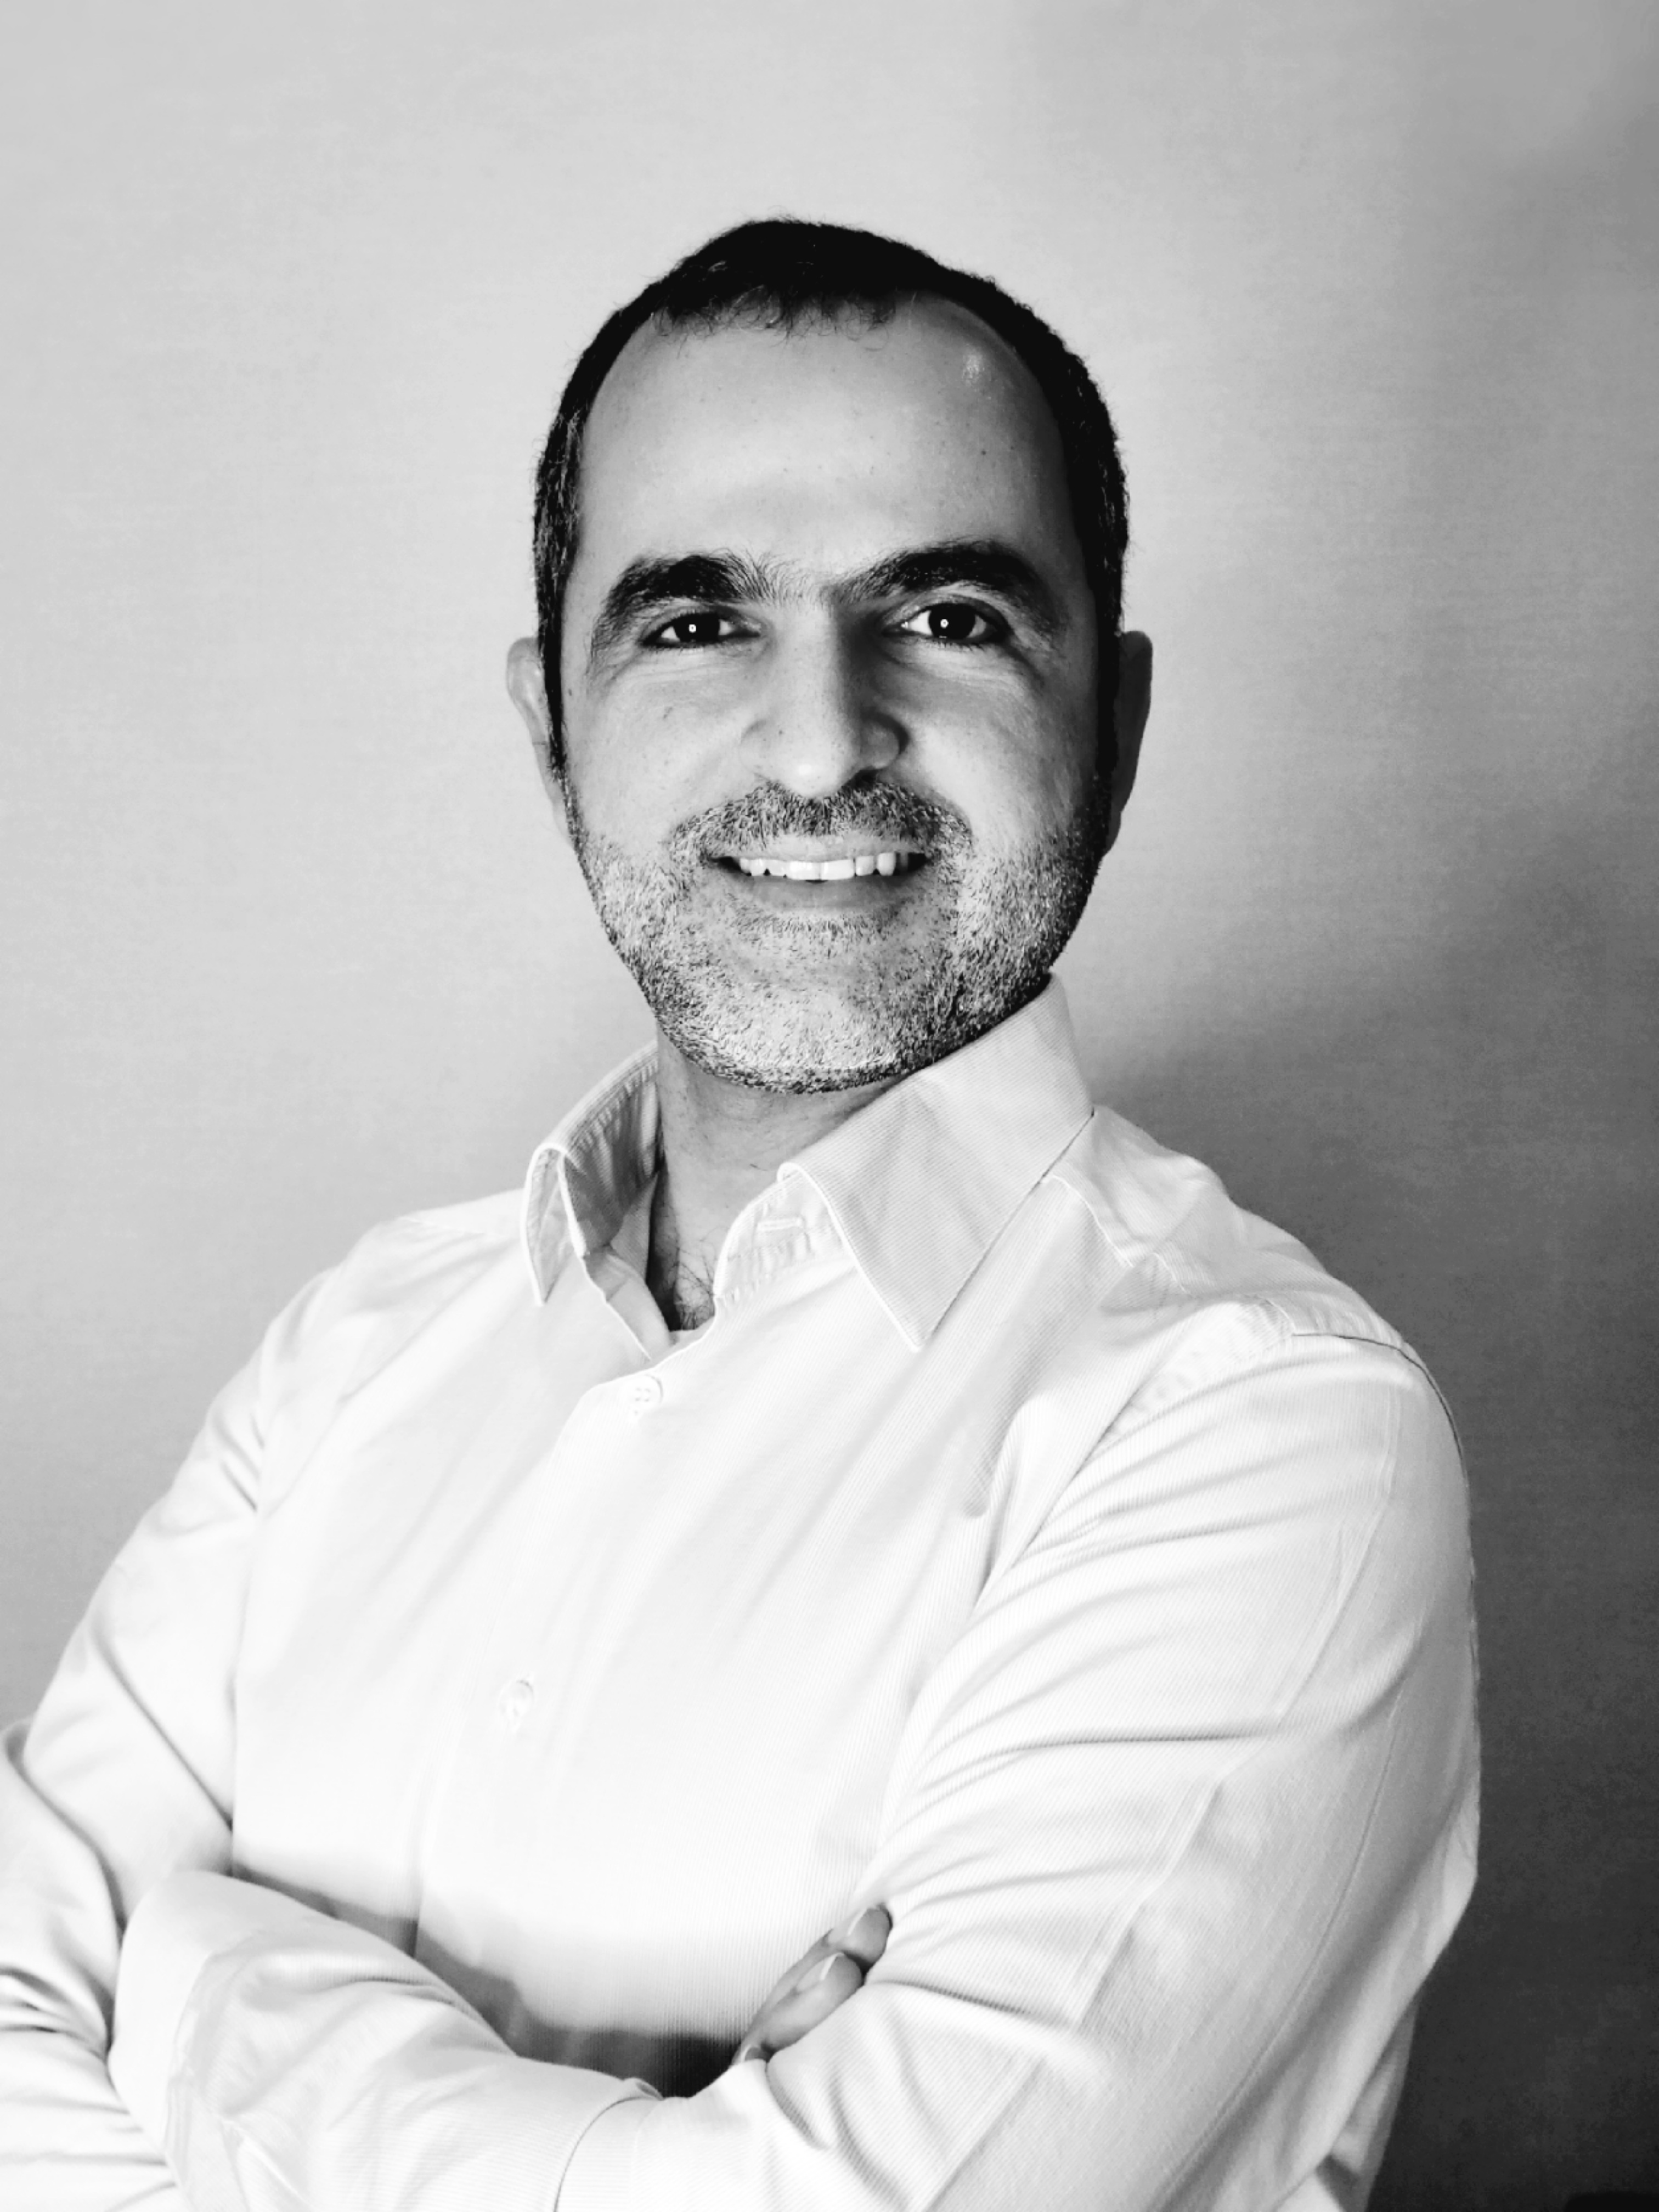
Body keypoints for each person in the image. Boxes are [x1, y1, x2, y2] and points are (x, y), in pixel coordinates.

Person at [0, 219, 1477, 2211]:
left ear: (1113, 729)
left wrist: (199, 1991)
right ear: (553, 724)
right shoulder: (355, 1351)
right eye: (697, 623)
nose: (818, 741)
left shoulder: (1268, 1430)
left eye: (949, 615)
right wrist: (649, 2155)